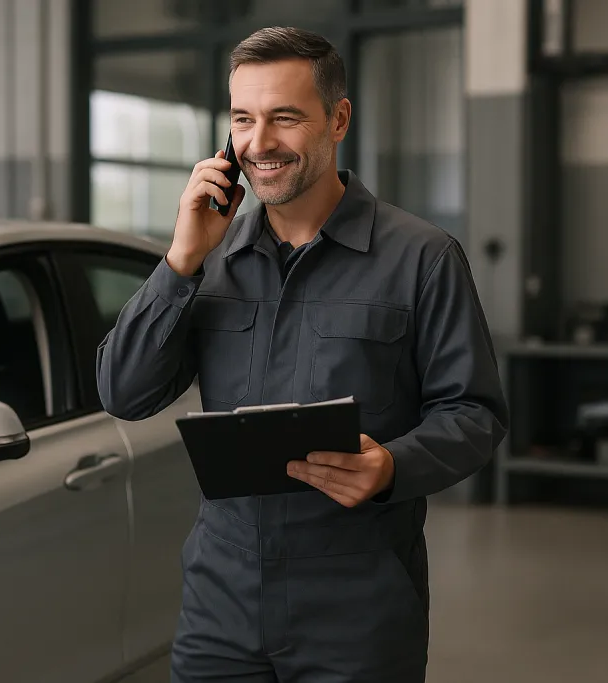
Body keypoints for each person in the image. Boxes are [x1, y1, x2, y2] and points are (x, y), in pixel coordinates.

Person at [95, 26, 509, 683]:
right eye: (242, 119)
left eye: (284, 117)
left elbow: (475, 412)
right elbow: (124, 390)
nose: (259, 143)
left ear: (338, 118)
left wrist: (392, 465)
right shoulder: (210, 257)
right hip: (220, 601)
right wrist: (179, 261)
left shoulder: (422, 258)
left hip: (359, 600)